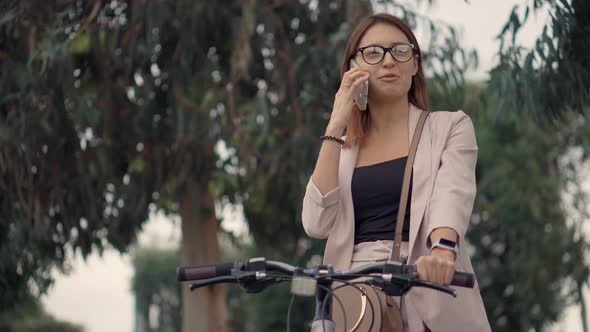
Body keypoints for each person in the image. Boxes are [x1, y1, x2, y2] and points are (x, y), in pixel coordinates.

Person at [301, 13, 491, 332]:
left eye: (400, 51)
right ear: (352, 69)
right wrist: (336, 122)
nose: (389, 61)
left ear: (415, 64)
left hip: (426, 286)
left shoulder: (450, 128)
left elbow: (452, 194)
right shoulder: (342, 149)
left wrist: (443, 251)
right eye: (373, 53)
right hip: (357, 304)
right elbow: (315, 223)